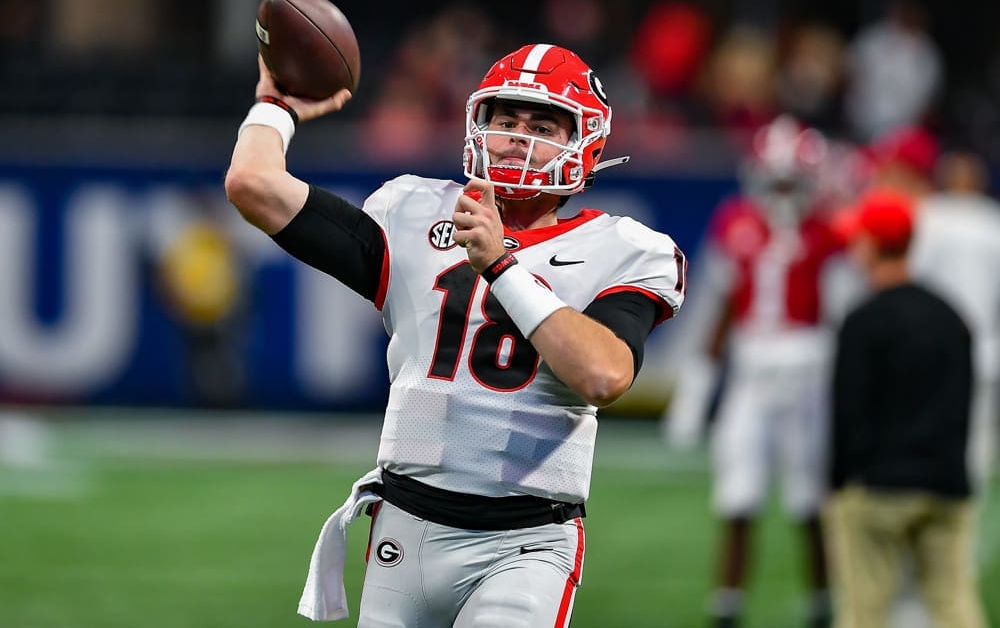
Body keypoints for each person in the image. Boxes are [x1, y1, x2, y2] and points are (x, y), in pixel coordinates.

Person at [224, 43, 686, 626]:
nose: (518, 136)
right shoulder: (412, 210)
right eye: (505, 119)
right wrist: (275, 103)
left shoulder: (623, 249)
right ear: (477, 126)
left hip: (526, 542)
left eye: (542, 124)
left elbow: (604, 374)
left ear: (584, 142)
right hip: (405, 528)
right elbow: (252, 184)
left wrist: (502, 266)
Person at [665, 115, 842, 628]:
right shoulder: (736, 221)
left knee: (810, 499)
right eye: (776, 177)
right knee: (737, 495)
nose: (782, 189)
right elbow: (718, 310)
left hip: (810, 373)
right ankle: (727, 605)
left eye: (791, 179)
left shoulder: (828, 230)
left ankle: (821, 604)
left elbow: (840, 311)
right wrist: (695, 390)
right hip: (750, 375)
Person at [826, 187, 987, 628]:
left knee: (864, 612)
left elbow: (848, 413)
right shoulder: (951, 316)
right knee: (954, 605)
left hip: (880, 489)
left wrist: (838, 487)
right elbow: (964, 408)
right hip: (946, 485)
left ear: (872, 245)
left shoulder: (862, 321)